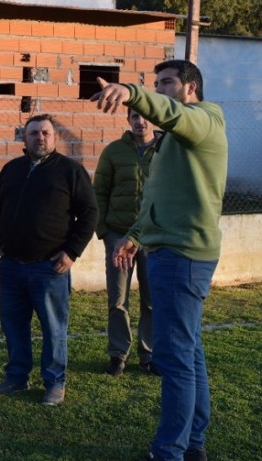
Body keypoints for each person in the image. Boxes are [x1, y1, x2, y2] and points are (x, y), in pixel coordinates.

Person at [90, 60, 228, 461]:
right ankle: (193, 444)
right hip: (168, 250)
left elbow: (169, 112)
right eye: (156, 84)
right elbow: (156, 198)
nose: (160, 90)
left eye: (167, 82)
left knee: (174, 358)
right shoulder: (173, 138)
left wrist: (132, 92)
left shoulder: (205, 120)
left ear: (190, 87)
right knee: (190, 351)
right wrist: (134, 236)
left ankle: (169, 451)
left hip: (181, 257)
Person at [0, 113, 97, 406]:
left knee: (53, 328)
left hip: (49, 267)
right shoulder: (12, 169)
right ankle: (16, 377)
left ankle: (54, 382)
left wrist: (72, 252)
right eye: (33, 133)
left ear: (54, 137)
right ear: (24, 137)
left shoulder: (70, 171)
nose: (40, 137)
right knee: (14, 325)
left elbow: (89, 213)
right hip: (11, 267)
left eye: (46, 132)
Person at [93, 109, 162, 377]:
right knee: (118, 298)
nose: (140, 121)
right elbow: (99, 192)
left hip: (152, 237)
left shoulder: (166, 150)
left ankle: (150, 354)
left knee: (152, 300)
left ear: (152, 119)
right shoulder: (113, 151)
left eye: (144, 116)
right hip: (119, 237)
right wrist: (105, 232)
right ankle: (118, 354)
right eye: (134, 116)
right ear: (128, 120)